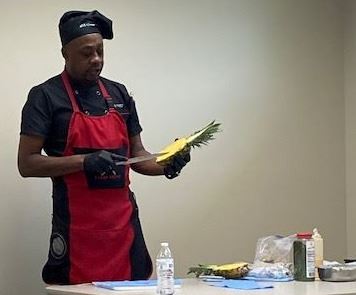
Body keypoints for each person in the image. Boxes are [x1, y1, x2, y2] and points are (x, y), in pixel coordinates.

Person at [17, 10, 190, 285]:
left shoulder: (120, 94)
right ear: (65, 53)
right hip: (77, 232)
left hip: (124, 230)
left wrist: (167, 165)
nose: (96, 59)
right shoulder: (45, 97)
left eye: (100, 51)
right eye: (86, 53)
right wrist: (83, 162)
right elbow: (27, 163)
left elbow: (138, 156)